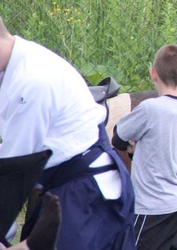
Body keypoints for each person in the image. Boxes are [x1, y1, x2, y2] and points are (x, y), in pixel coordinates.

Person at [0, 16, 136, 250]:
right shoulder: (18, 64)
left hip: (87, 199)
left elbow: (13, 173)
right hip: (64, 190)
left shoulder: (32, 82)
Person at [112, 44, 177, 250]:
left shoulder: (150, 108)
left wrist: (132, 147)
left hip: (151, 207)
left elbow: (118, 137)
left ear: (153, 74)